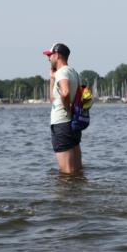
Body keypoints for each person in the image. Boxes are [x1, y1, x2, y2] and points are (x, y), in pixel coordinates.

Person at [44, 42, 82, 174]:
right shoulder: (73, 72)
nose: (48, 59)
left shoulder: (62, 73)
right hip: (72, 124)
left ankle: (66, 194)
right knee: (76, 169)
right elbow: (53, 99)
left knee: (66, 171)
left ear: (57, 55)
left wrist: (67, 109)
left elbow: (65, 93)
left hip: (62, 124)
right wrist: (52, 78)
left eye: (50, 55)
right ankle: (79, 193)